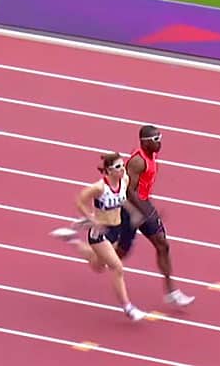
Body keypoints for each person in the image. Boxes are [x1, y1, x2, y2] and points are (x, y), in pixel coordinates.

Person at [50, 152, 146, 321]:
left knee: (97, 266)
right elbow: (79, 201)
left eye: (123, 165)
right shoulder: (99, 188)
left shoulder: (125, 181)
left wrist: (133, 212)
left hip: (116, 230)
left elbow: (122, 200)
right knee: (117, 267)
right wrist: (92, 220)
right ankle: (128, 308)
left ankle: (72, 239)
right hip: (99, 234)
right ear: (108, 171)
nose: (122, 169)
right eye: (118, 167)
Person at [116, 125, 195, 307]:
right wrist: (147, 211)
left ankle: (172, 293)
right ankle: (96, 252)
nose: (160, 143)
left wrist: (148, 210)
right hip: (131, 210)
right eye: (156, 140)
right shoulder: (138, 162)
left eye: (160, 138)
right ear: (144, 142)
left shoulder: (151, 155)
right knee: (121, 253)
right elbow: (128, 191)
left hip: (144, 206)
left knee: (162, 244)